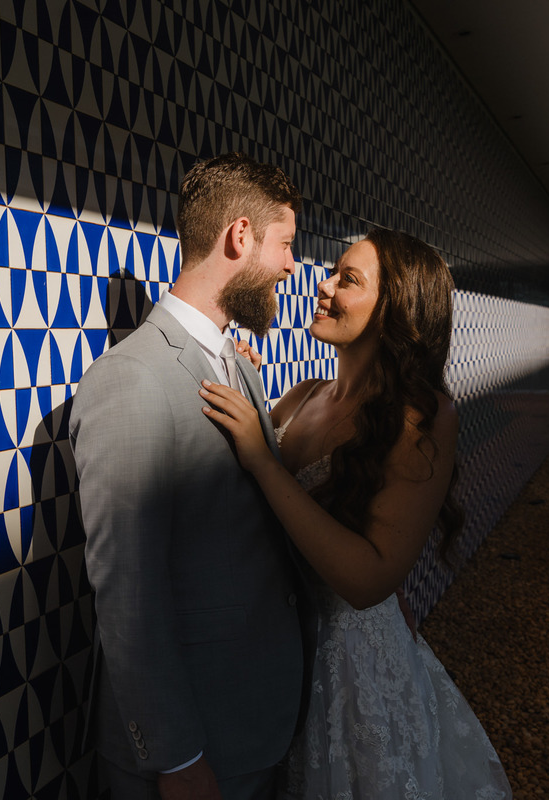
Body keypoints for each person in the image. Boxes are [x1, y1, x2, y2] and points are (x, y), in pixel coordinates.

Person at [199, 228, 512, 799]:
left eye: (348, 279)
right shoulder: (302, 395)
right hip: (276, 653)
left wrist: (264, 461)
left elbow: (370, 579)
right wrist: (245, 385)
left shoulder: (424, 417)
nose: (323, 286)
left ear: (397, 309)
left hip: (350, 671)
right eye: (332, 271)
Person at [68, 152, 314, 800]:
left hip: (250, 727)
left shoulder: (236, 362)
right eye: (286, 244)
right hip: (192, 760)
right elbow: (128, 594)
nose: (293, 266)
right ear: (240, 236)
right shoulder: (130, 381)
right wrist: (176, 758)